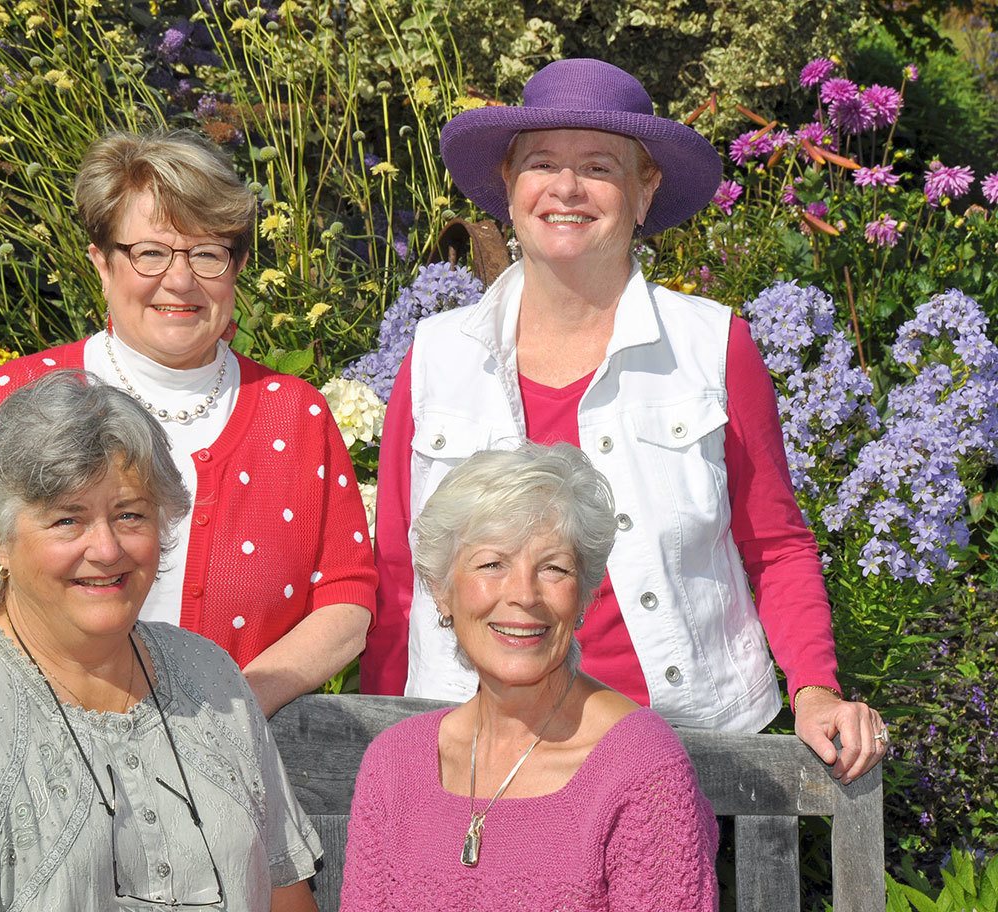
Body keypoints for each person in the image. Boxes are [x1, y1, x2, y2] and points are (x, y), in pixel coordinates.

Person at [364, 57, 887, 783]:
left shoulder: (712, 347)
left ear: (645, 192)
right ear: (509, 186)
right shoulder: (435, 356)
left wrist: (816, 688)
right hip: (472, 748)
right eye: (542, 163)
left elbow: (774, 545)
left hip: (677, 749)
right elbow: (399, 568)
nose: (567, 188)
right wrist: (381, 739)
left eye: (599, 167)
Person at [0, 129, 376, 716]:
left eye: (208, 253)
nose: (180, 280)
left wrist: (232, 712)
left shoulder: (294, 414)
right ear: (102, 264)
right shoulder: (21, 395)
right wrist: (41, 716)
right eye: (151, 253)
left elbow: (345, 602)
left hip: (229, 750)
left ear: (238, 267)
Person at [0, 372, 323, 911]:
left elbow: (285, 899)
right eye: (67, 520)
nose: (106, 549)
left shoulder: (210, 678)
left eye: (130, 515)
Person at [342, 443, 717, 910]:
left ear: (582, 597)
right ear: (441, 591)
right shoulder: (394, 765)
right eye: (492, 564)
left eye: (553, 568)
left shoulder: (642, 769)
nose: (524, 594)